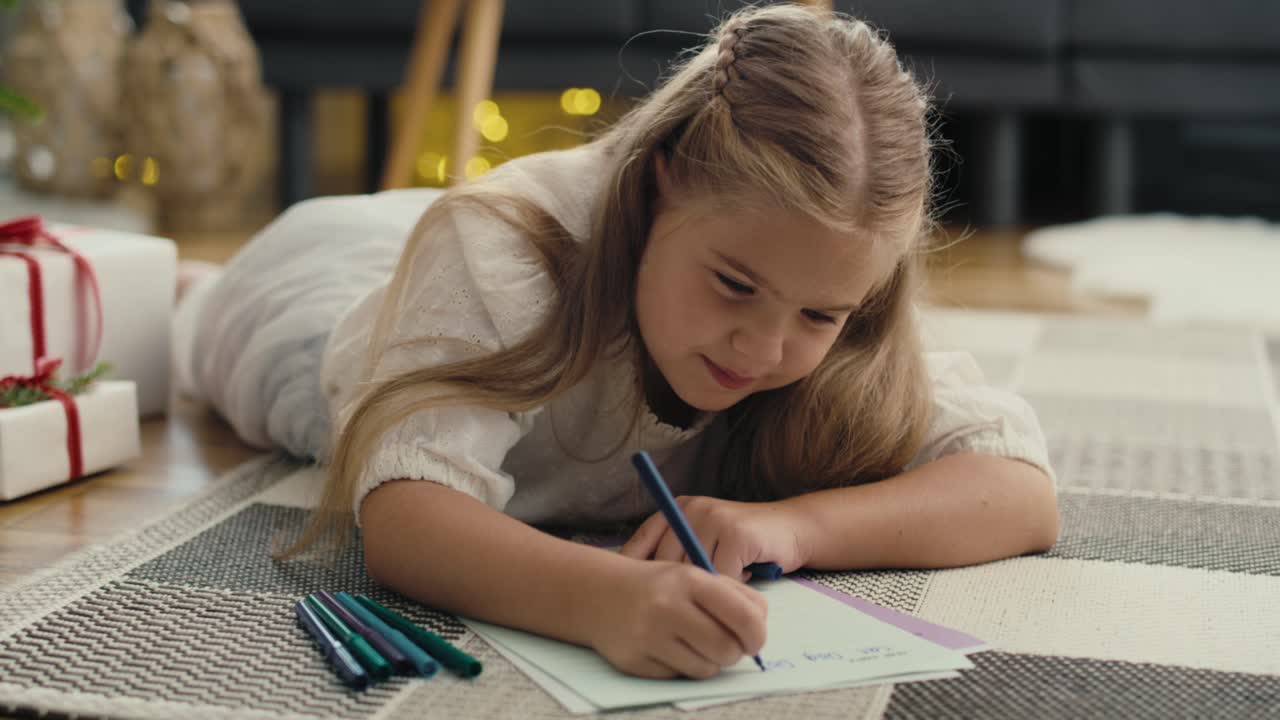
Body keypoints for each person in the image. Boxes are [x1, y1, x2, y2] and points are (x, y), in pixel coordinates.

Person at [174, 4, 1058, 681]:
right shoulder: (502, 253)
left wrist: (795, 525)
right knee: (207, 323)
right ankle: (188, 290)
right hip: (312, 301)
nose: (760, 345)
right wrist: (604, 601)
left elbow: (1018, 491)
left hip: (456, 253)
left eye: (819, 317)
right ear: (662, 183)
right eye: (734, 286)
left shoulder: (819, 268)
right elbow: (405, 519)